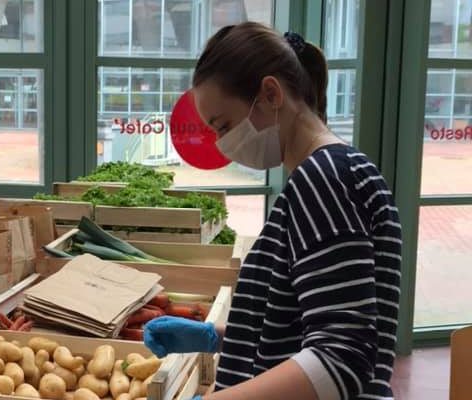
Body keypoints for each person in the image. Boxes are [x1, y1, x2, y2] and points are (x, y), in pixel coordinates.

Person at [144, 22, 401, 400]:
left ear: (270, 93)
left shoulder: (323, 179)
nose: (222, 143)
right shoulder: (339, 171)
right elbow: (308, 324)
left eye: (224, 125)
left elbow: (341, 359)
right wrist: (219, 339)